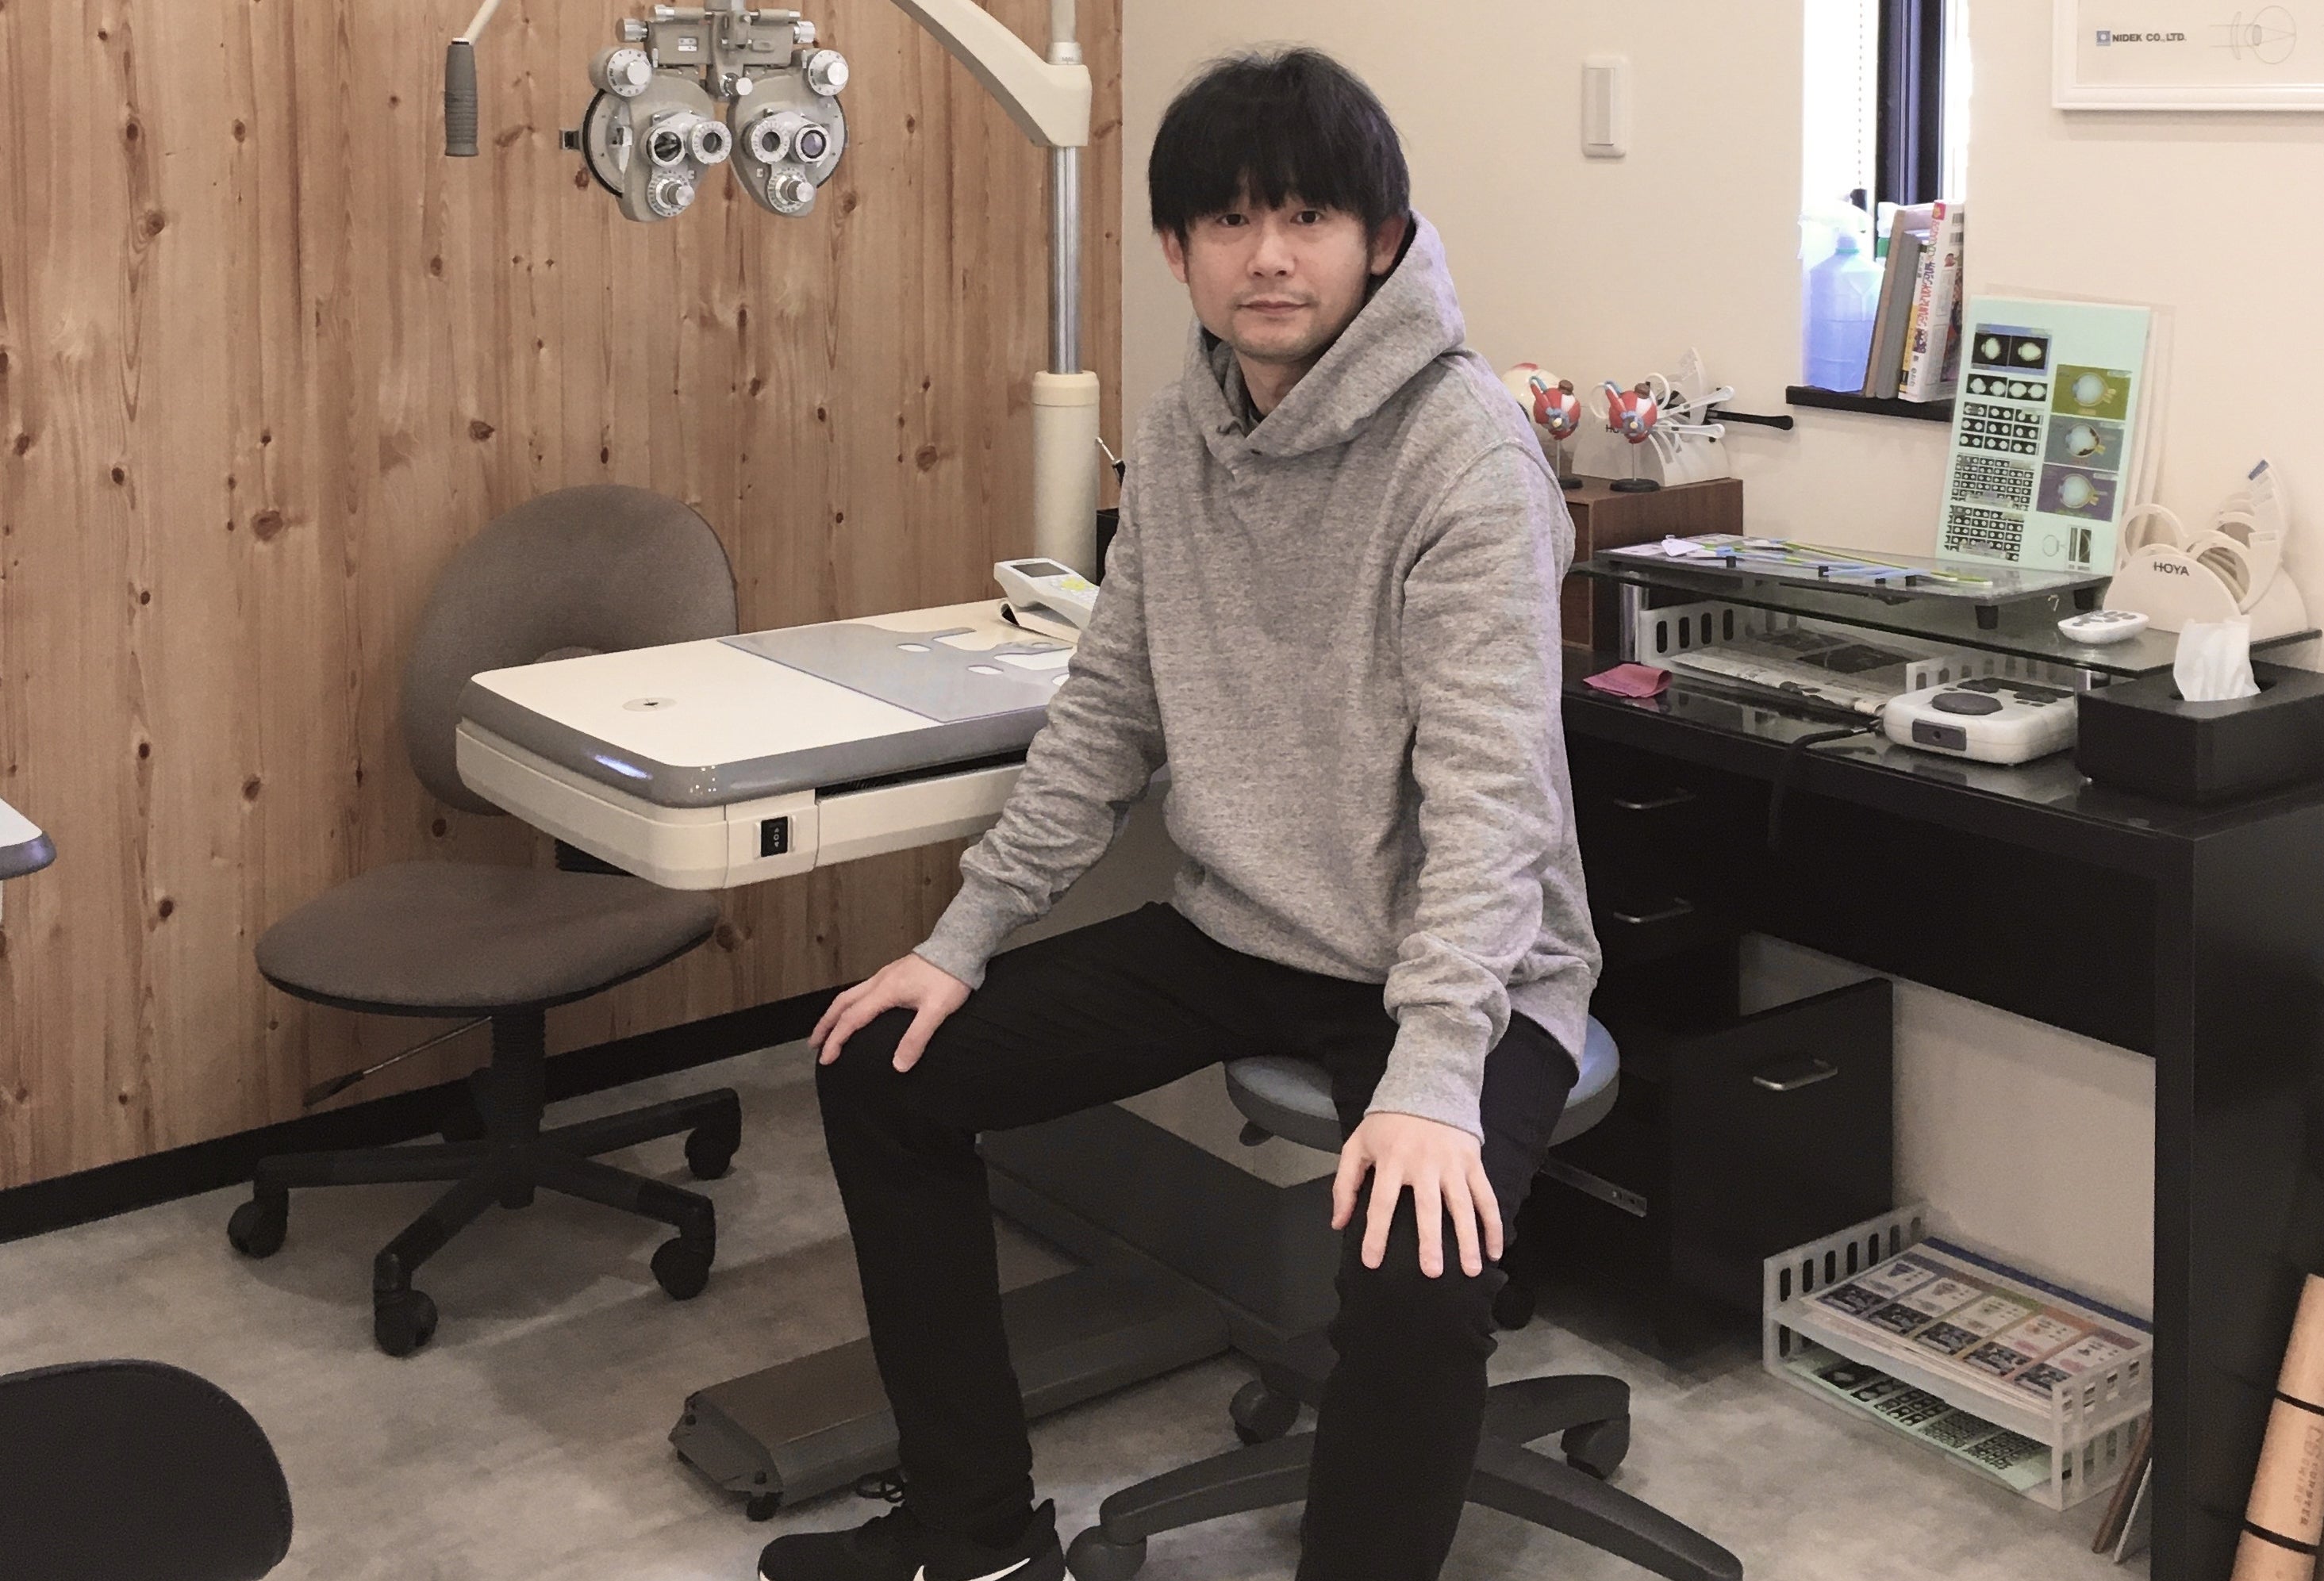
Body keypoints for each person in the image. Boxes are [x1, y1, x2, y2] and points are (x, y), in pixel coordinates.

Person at [759, 46, 1600, 1581]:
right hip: (1241, 926)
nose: (1267, 255)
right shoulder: (1183, 435)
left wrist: (1432, 1077)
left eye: (1307, 216)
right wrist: (959, 940)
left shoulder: (1466, 454)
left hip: (1458, 964)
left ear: (1380, 240)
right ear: (1176, 250)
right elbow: (1107, 714)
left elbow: (1494, 805)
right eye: (1228, 220)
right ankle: (974, 1534)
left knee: (1418, 1264)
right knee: (882, 1065)